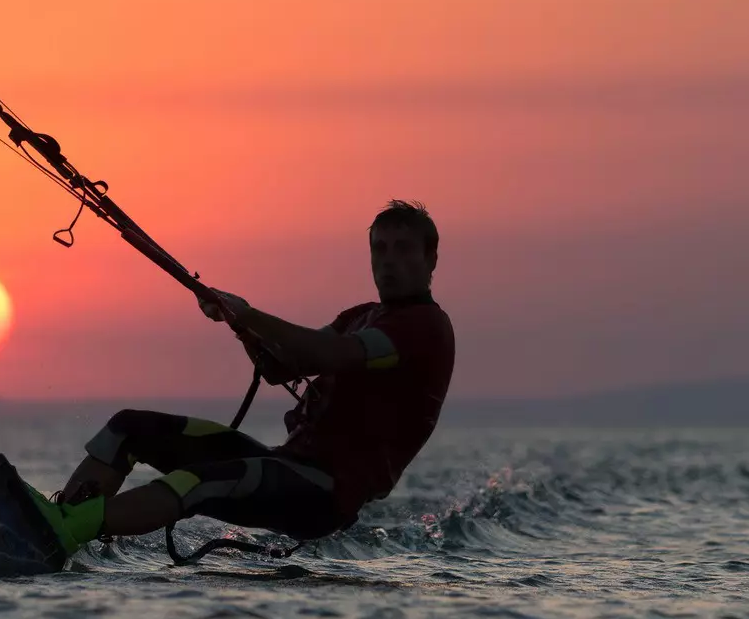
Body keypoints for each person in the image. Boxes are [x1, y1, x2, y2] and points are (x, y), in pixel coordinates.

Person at [25, 199, 455, 558]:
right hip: (288, 466)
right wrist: (239, 323)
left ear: (430, 259)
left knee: (193, 483)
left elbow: (326, 353)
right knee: (130, 427)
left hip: (324, 494)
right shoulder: (361, 316)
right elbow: (282, 366)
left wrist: (248, 312)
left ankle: (64, 531)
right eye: (380, 250)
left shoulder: (424, 328)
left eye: (403, 250)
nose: (389, 261)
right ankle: (61, 526)